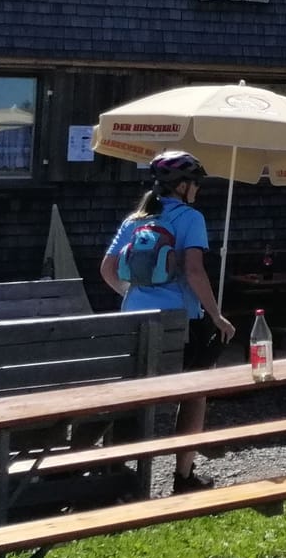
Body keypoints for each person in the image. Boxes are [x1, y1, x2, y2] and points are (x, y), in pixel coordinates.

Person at [98, 151, 235, 494]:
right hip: (179, 322)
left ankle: (117, 474)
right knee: (193, 393)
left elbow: (107, 269)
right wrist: (216, 315)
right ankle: (184, 475)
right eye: (196, 184)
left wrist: (134, 294)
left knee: (132, 397)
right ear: (184, 186)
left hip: (134, 320)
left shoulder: (134, 220)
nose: (198, 190)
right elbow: (193, 270)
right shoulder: (190, 218)